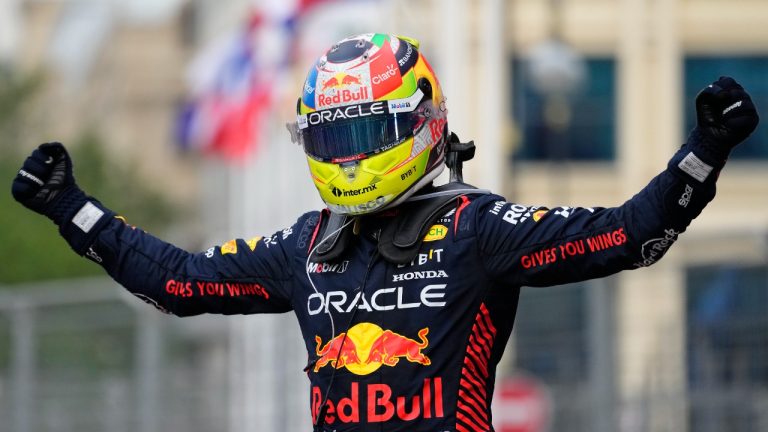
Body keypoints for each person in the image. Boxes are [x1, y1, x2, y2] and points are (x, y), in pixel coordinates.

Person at [11, 33, 759, 432]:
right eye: (334, 137)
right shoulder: (306, 245)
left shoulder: (479, 227)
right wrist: (75, 209)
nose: (351, 153)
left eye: (370, 131)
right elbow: (177, 284)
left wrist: (704, 153)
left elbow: (628, 235)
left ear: (421, 127)